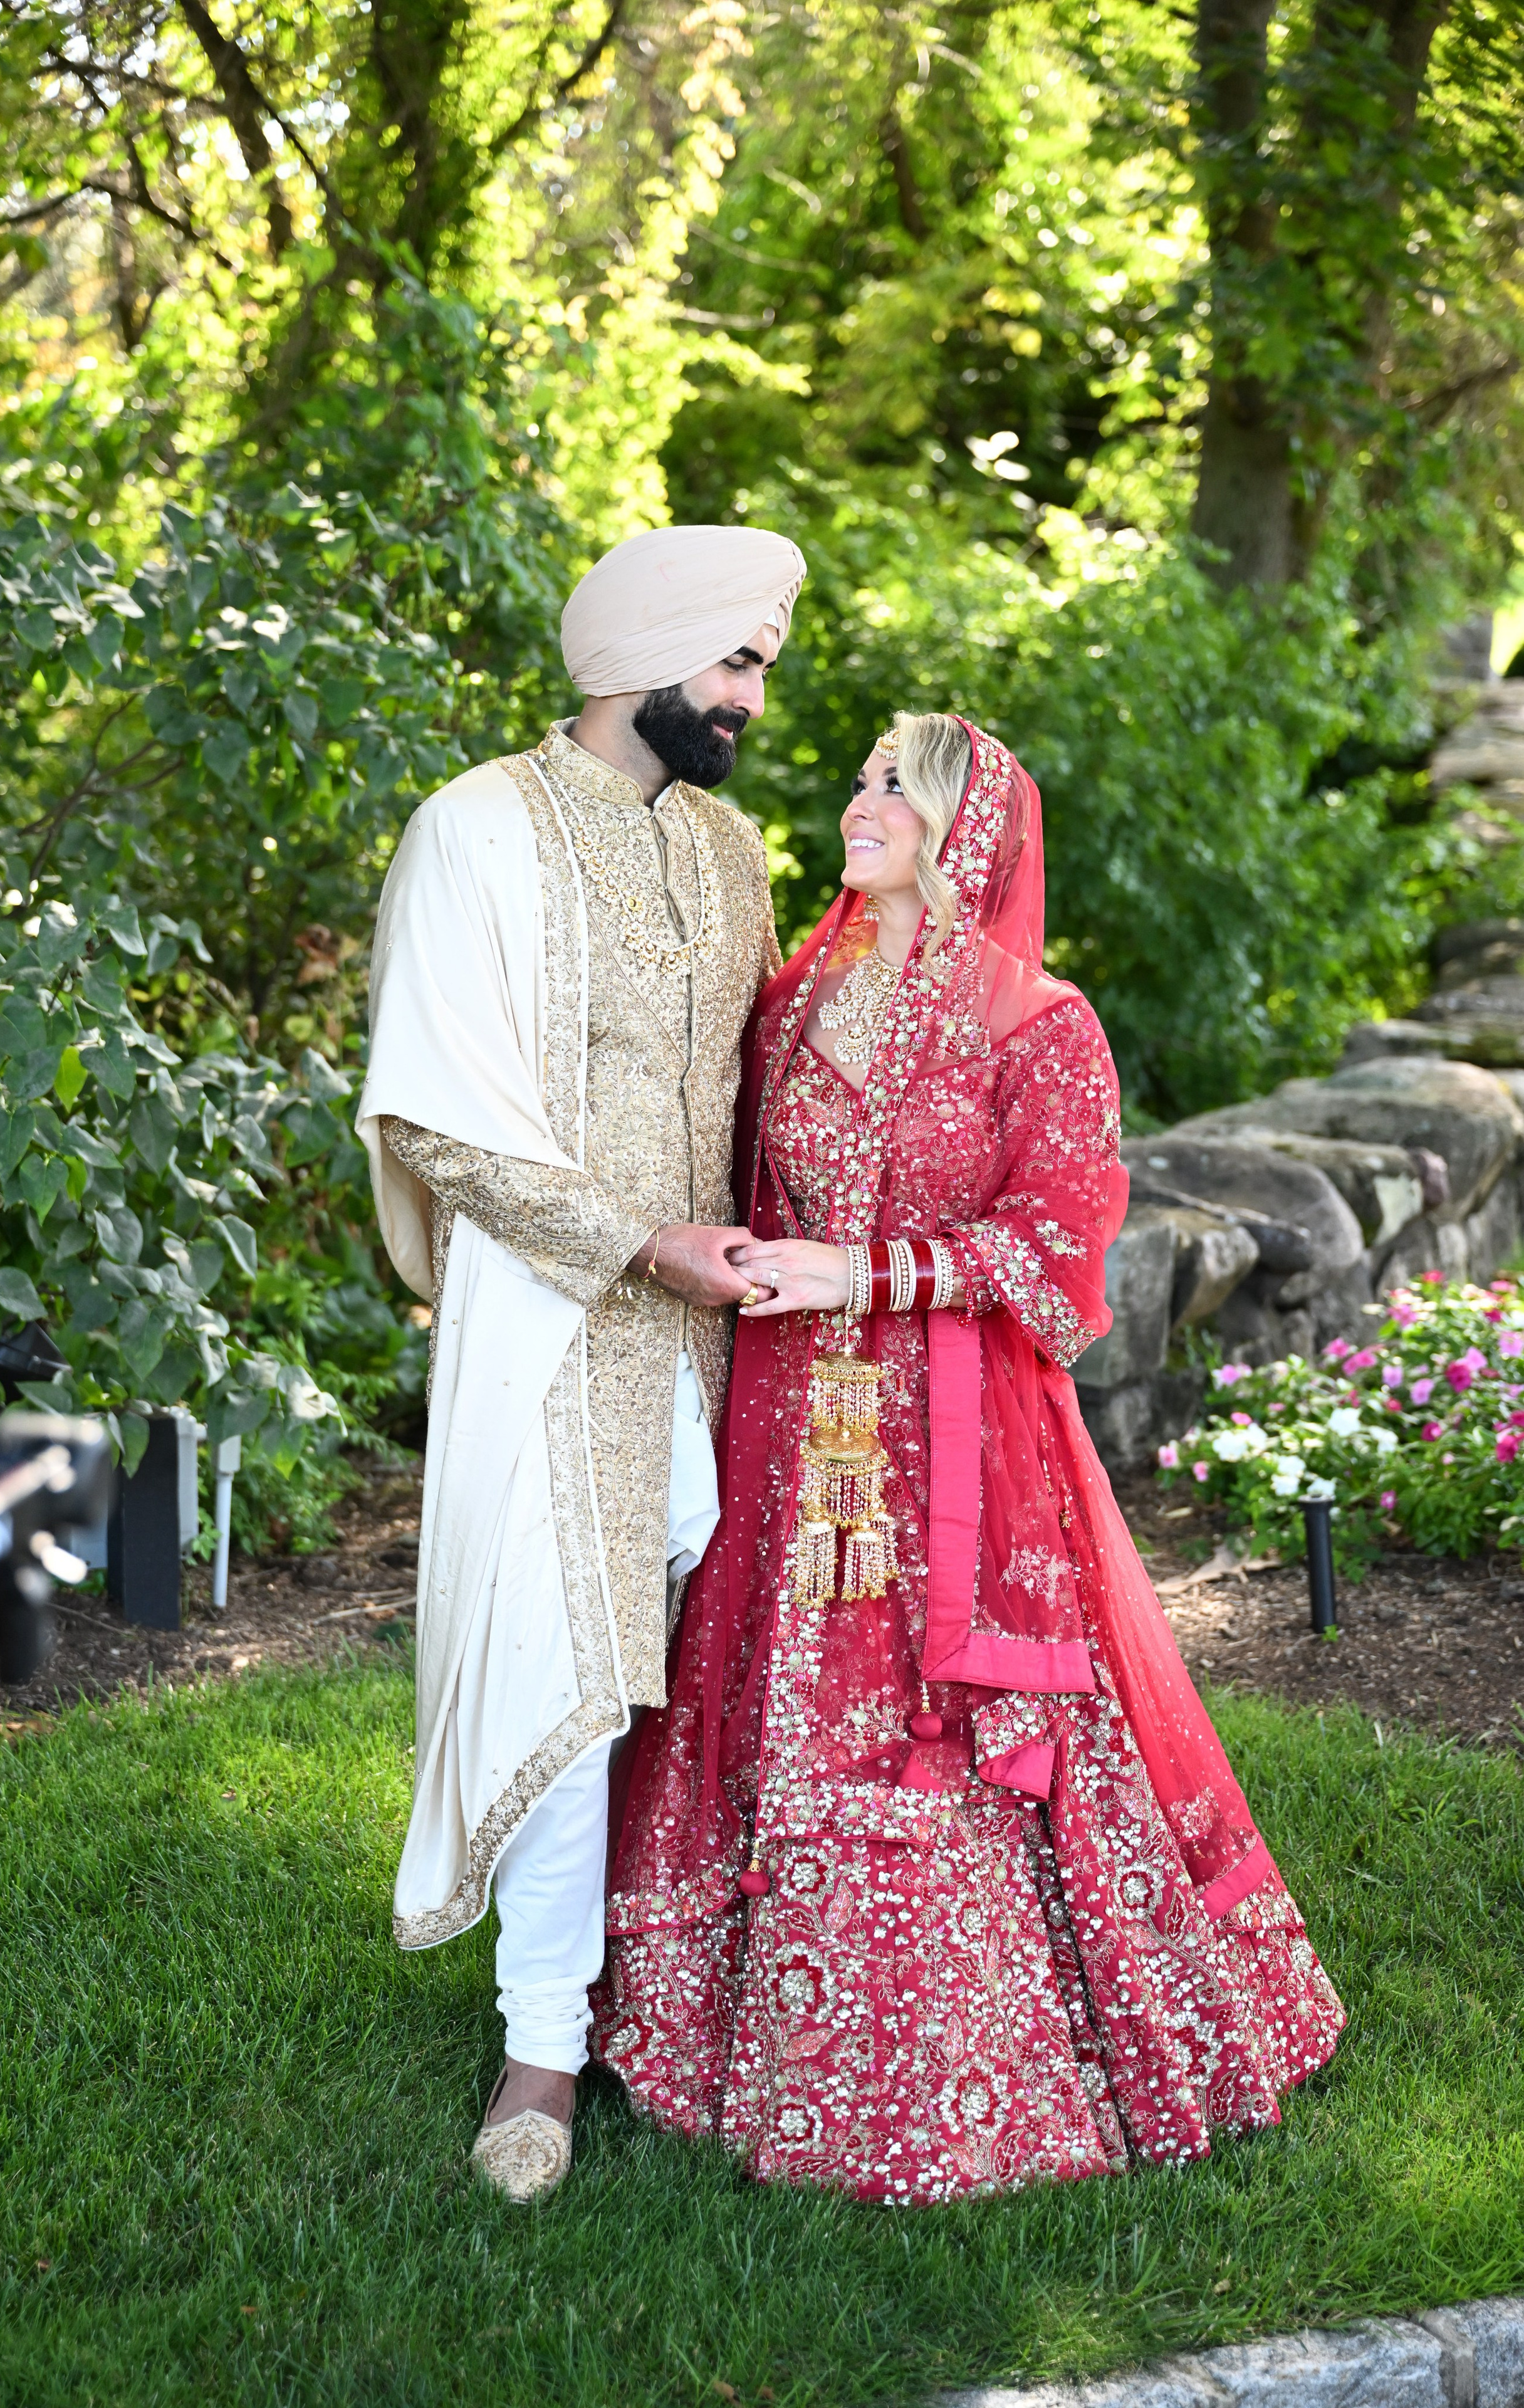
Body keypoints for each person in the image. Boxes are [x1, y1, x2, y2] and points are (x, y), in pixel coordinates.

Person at [592, 712, 1344, 2203]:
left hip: (955, 1439)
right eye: (863, 775)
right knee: (775, 1675)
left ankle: (980, 2065)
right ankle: (723, 2043)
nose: (859, 799)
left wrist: (860, 1278)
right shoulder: (798, 996)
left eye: (894, 785)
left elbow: (1062, 1249)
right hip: (791, 1417)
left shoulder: (1037, 1022)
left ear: (964, 831)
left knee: (936, 1704)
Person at [357, 523, 806, 2203]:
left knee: (709, 1678)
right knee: (568, 1676)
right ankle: (541, 2043)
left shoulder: (735, 848)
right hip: (554, 1329)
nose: (754, 696)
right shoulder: (473, 833)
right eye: (738, 661)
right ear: (646, 652)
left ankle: (682, 2002)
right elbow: (430, 1114)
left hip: (720, 1331)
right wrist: (636, 1242)